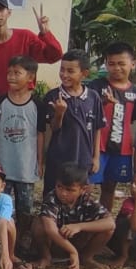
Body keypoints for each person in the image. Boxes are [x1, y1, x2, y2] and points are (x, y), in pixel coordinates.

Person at [0, 0, 63, 99]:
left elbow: (55, 56)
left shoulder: (26, 37)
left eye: (1, 9)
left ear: (9, 12)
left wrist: (46, 33)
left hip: (24, 102)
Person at [88, 41, 136, 210]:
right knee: (86, 186)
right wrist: (103, 104)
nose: (116, 68)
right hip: (96, 148)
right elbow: (86, 112)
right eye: (111, 64)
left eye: (121, 64)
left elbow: (132, 121)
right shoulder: (96, 86)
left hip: (121, 150)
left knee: (109, 188)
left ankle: (105, 221)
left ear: (133, 64)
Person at [35, 162, 115, 269]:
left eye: (69, 190)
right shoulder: (51, 198)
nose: (63, 193)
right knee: (38, 224)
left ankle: (87, 257)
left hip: (79, 240)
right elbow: (50, 229)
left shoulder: (87, 200)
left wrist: (79, 226)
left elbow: (110, 223)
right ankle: (46, 257)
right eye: (59, 187)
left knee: (107, 229)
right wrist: (72, 251)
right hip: (57, 242)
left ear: (83, 189)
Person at [43, 51, 105, 195]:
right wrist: (59, 113)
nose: (64, 75)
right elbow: (53, 127)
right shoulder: (53, 96)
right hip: (59, 160)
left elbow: (97, 128)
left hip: (83, 160)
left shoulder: (93, 97)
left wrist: (96, 158)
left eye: (70, 71)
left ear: (84, 73)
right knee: (54, 196)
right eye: (62, 70)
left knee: (81, 197)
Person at [0, 55, 46, 234]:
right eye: (9, 72)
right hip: (3, 165)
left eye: (17, 73)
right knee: (1, 204)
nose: (11, 77)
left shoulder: (37, 105)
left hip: (25, 165)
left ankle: (23, 238)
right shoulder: (0, 101)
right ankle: (1, 237)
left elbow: (40, 134)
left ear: (30, 77)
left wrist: (39, 162)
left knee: (25, 207)